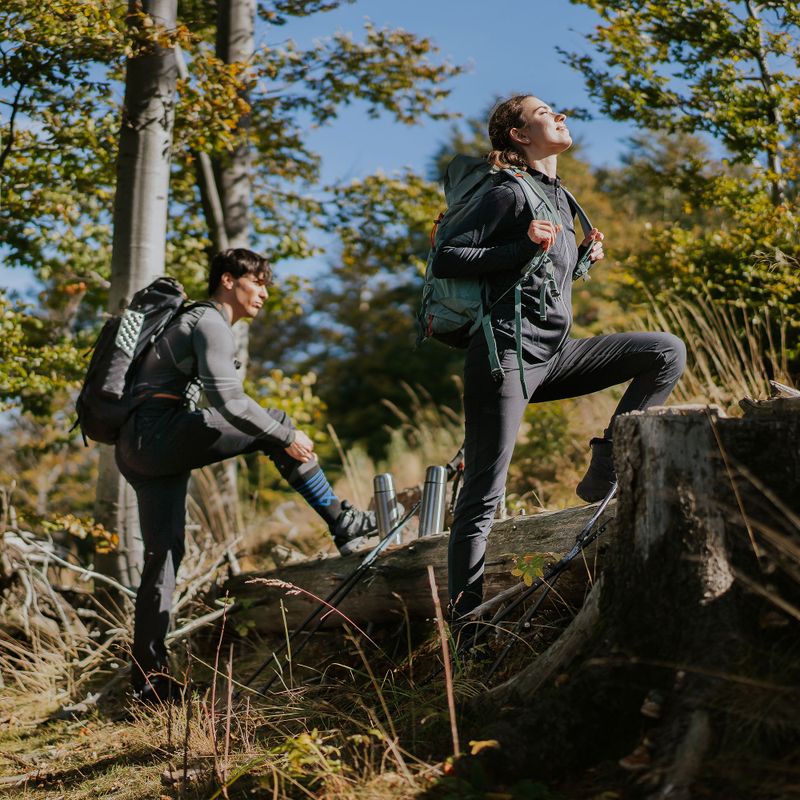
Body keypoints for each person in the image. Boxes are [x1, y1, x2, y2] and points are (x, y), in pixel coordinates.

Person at [433, 95, 686, 618]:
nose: (560, 116)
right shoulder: (507, 191)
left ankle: (608, 463)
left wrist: (581, 262)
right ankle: (467, 630)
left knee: (664, 351)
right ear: (520, 136)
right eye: (546, 112)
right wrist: (522, 247)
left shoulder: (559, 197)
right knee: (482, 496)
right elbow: (448, 257)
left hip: (554, 353)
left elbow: (533, 280)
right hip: (505, 358)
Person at [115, 248, 376, 702]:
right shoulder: (210, 321)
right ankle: (343, 522)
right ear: (228, 280)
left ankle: (149, 679)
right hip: (158, 434)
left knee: (163, 556)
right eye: (258, 282)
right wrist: (284, 435)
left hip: (135, 447)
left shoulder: (192, 322)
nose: (265, 293)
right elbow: (231, 405)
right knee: (273, 421)